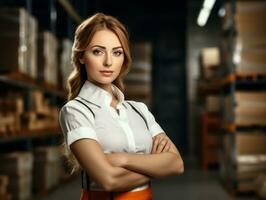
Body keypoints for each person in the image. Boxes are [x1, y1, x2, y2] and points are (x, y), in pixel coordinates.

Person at [59, 12, 184, 200]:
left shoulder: (139, 110)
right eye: (97, 51)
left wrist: (123, 159)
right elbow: (108, 179)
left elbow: (177, 163)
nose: (108, 61)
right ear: (82, 56)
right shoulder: (76, 111)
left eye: (116, 52)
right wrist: (157, 166)